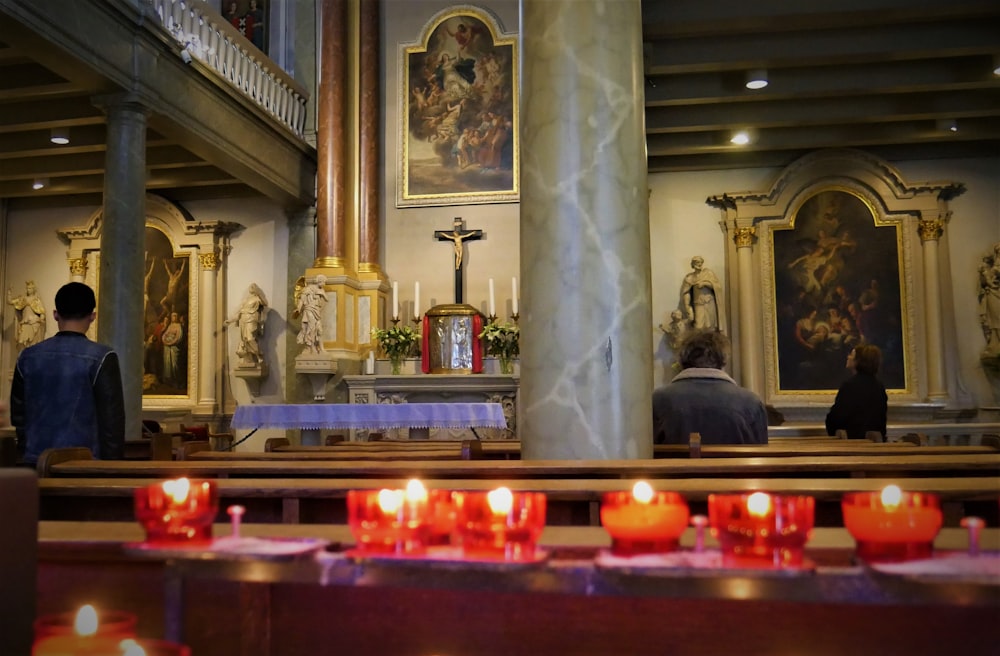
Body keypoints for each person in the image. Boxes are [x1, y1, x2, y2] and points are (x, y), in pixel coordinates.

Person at [9, 282, 124, 465]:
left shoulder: (27, 357)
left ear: (55, 315)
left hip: (34, 463)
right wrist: (112, 470)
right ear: (92, 316)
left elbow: (19, 418)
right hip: (84, 467)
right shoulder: (103, 357)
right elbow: (112, 425)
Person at [652, 330, 768, 445]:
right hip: (730, 464)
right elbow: (761, 454)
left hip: (675, 464)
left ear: (682, 359)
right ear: (723, 360)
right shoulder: (750, 402)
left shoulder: (658, 399)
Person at [825, 343, 888, 440]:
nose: (848, 357)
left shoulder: (850, 385)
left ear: (858, 361)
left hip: (851, 442)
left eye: (851, 355)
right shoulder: (879, 386)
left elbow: (836, 417)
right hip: (874, 443)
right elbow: (881, 422)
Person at [225, 283, 268, 366]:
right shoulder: (246, 300)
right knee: (245, 340)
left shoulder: (257, 298)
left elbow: (265, 304)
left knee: (250, 339)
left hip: (251, 320)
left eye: (253, 286)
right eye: (251, 286)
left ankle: (259, 355)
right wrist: (230, 321)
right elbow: (239, 313)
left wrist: (259, 294)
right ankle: (249, 359)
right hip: (243, 320)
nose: (251, 287)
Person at [680, 256, 722, 330]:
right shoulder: (690, 277)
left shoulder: (708, 273)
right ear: (693, 264)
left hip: (709, 302)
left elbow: (717, 287)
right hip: (698, 303)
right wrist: (687, 307)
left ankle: (711, 340)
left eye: (700, 262)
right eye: (697, 262)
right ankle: (699, 341)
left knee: (710, 325)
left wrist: (705, 283)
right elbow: (686, 292)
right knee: (698, 325)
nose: (699, 264)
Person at [6, 280, 46, 349]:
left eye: (30, 288)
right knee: (21, 343)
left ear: (33, 289)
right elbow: (10, 302)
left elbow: (42, 312)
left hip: (33, 323)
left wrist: (40, 319)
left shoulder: (36, 300)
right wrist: (9, 292)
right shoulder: (23, 299)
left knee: (33, 345)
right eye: (27, 288)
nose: (28, 290)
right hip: (24, 323)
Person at [295, 275, 327, 354]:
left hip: (316, 311)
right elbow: (302, 300)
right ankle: (312, 348)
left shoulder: (321, 290)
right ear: (319, 281)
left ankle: (322, 348)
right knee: (311, 329)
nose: (324, 284)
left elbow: (326, 299)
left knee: (319, 330)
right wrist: (298, 308)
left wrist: (322, 294)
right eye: (323, 282)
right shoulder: (308, 289)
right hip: (309, 310)